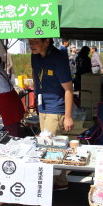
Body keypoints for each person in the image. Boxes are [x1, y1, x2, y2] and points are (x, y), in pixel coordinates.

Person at [29, 38, 74, 190]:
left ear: (47, 41)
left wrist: (68, 116)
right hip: (43, 107)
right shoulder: (35, 56)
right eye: (29, 41)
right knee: (53, 147)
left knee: (50, 149)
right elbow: (35, 76)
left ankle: (50, 184)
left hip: (56, 109)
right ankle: (60, 182)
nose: (31, 45)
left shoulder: (58, 58)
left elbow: (68, 89)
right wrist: (35, 99)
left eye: (34, 42)